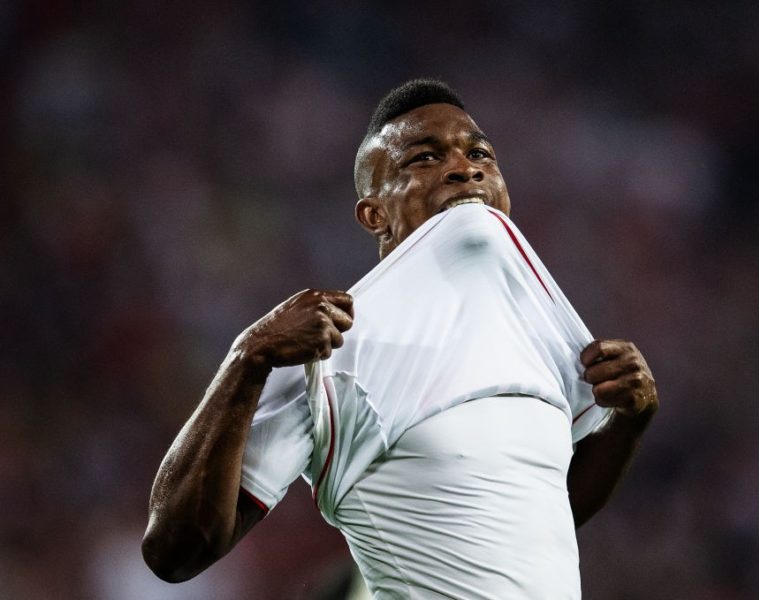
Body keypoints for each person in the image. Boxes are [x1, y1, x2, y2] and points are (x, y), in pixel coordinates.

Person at [142, 79, 658, 598]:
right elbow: (175, 551)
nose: (464, 166)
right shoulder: (328, 349)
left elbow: (541, 515)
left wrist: (629, 424)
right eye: (425, 159)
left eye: (479, 153)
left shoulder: (540, 333)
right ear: (374, 215)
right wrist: (247, 357)